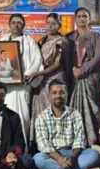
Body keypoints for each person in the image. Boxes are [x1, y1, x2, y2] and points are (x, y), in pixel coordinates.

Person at [33, 80, 100, 169]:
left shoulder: (75, 114)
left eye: (62, 92)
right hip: (53, 155)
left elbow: (79, 140)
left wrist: (72, 157)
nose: (58, 96)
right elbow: (44, 145)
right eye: (54, 93)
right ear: (49, 96)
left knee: (93, 154)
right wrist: (60, 159)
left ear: (66, 94)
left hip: (72, 154)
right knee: (38, 159)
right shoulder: (41, 117)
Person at [28, 13, 70, 144]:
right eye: (48, 23)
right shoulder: (41, 41)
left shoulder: (61, 42)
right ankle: (39, 143)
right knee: (39, 110)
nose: (50, 26)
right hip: (40, 81)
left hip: (55, 80)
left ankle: (56, 142)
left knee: (54, 109)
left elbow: (56, 64)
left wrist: (38, 73)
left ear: (59, 26)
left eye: (54, 23)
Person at [0, 14, 43, 145]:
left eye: (19, 22)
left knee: (23, 117)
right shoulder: (2, 41)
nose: (16, 25)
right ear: (9, 25)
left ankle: (22, 148)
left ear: (24, 25)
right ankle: (6, 147)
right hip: (7, 88)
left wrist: (27, 75)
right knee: (5, 117)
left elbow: (37, 61)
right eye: (13, 22)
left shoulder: (30, 42)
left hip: (22, 86)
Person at [66, 7, 100, 145]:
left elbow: (98, 56)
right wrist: (73, 69)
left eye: (85, 16)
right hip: (74, 78)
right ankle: (76, 139)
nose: (82, 19)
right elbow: (66, 57)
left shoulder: (96, 36)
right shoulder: (69, 37)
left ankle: (93, 140)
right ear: (75, 19)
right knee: (74, 108)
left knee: (93, 108)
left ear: (89, 19)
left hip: (91, 78)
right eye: (79, 16)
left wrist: (83, 69)